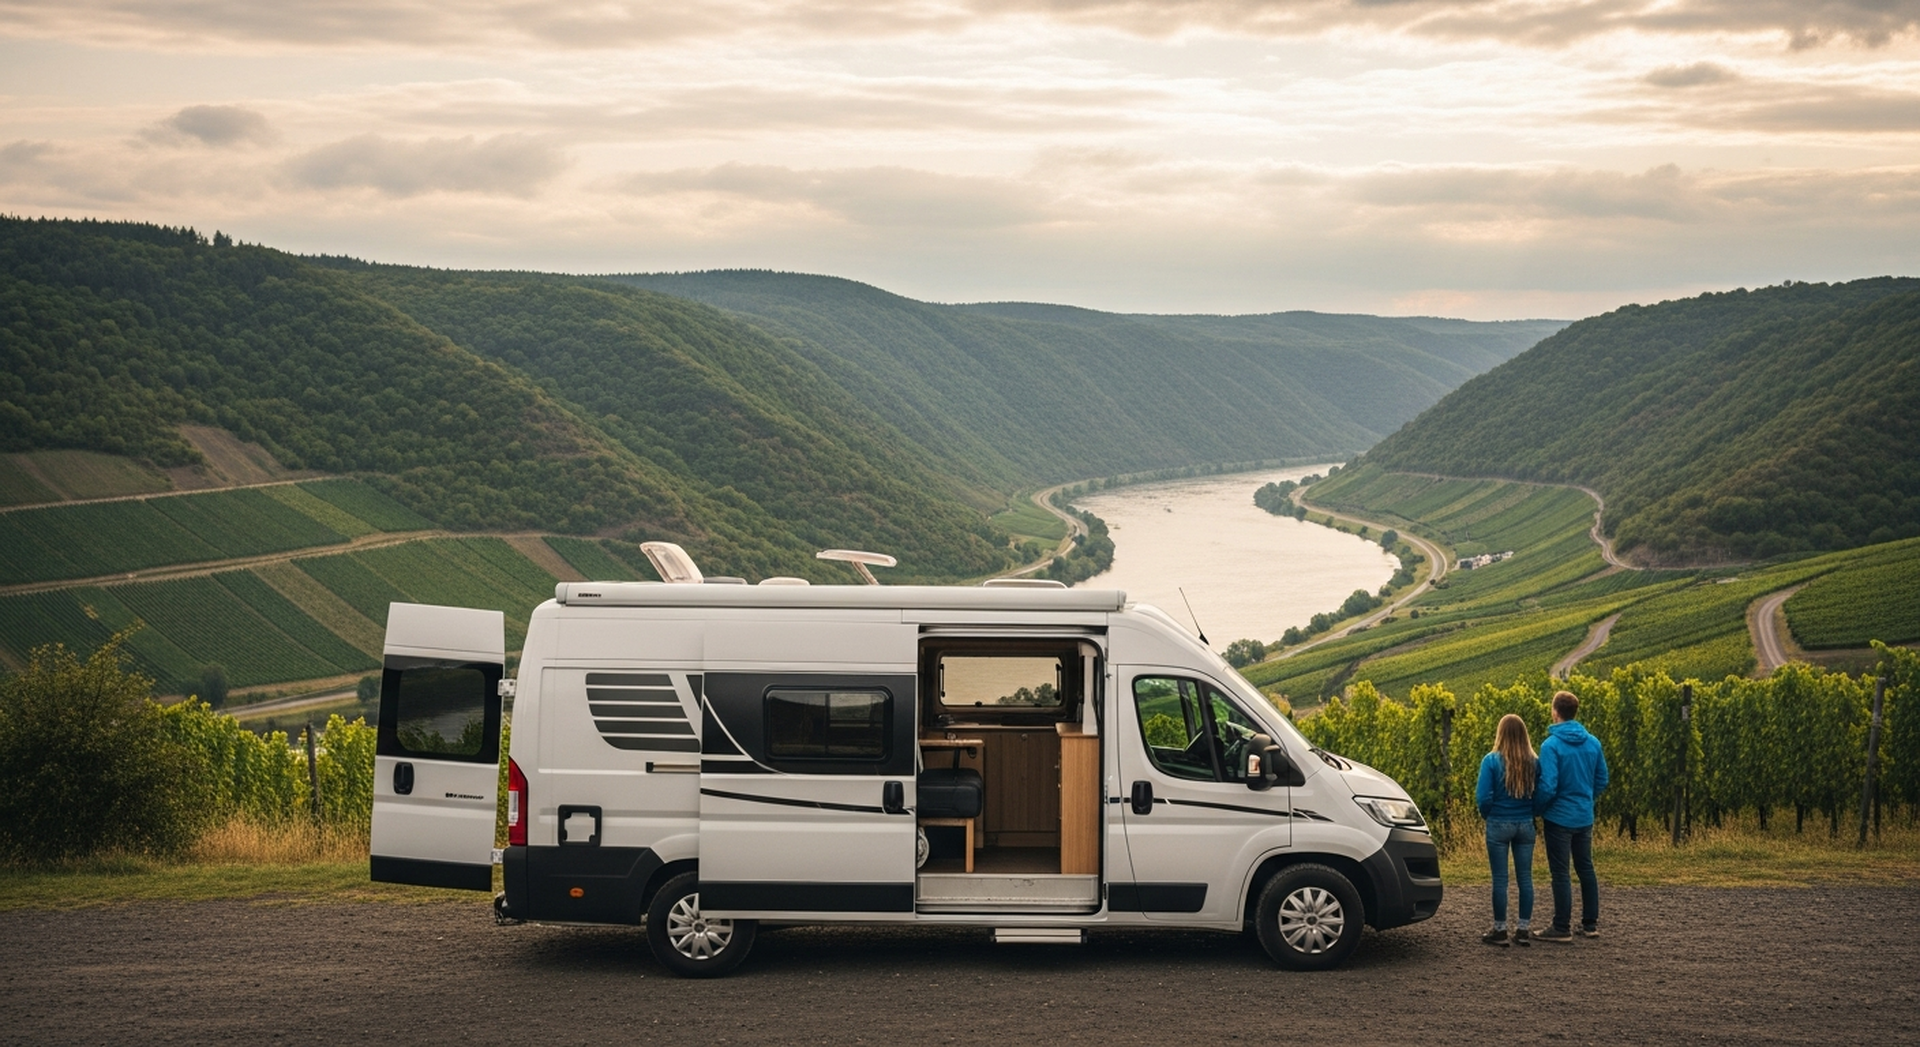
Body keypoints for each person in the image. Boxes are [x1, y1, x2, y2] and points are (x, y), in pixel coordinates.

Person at [1533, 689, 1609, 942]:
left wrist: (1539, 809)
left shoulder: (1551, 745)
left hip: (1558, 818)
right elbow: (1602, 779)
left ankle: (1561, 927)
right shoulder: (1593, 743)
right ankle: (1590, 924)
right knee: (1586, 868)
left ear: (1555, 712)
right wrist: (1586, 797)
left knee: (1561, 872)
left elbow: (1549, 785)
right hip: (1584, 816)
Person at [1475, 713, 1538, 947]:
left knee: (1500, 880)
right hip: (1525, 823)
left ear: (1500, 733)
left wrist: (1488, 814)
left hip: (1499, 822)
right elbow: (1540, 793)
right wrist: (1532, 812)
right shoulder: (1534, 762)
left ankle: (1500, 930)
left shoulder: (1491, 761)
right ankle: (1523, 929)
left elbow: (1483, 797)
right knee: (1525, 879)